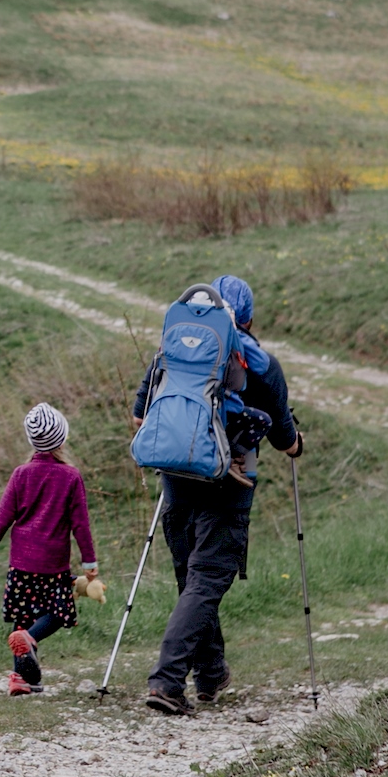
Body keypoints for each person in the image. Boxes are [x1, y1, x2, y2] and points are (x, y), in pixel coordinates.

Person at [131, 275, 302, 715]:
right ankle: (167, 681)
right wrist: (296, 439)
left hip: (176, 481)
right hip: (230, 486)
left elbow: (139, 418)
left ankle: (210, 673)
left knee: (193, 580)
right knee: (207, 579)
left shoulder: (172, 351)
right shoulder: (262, 364)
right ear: (247, 318)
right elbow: (286, 441)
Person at [0, 402, 99, 697]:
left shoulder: (20, 474)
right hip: (52, 565)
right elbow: (81, 524)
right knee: (58, 613)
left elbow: (1, 518)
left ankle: (22, 678)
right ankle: (30, 641)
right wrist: (89, 561)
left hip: (21, 564)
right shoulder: (71, 477)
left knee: (22, 618)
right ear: (62, 439)